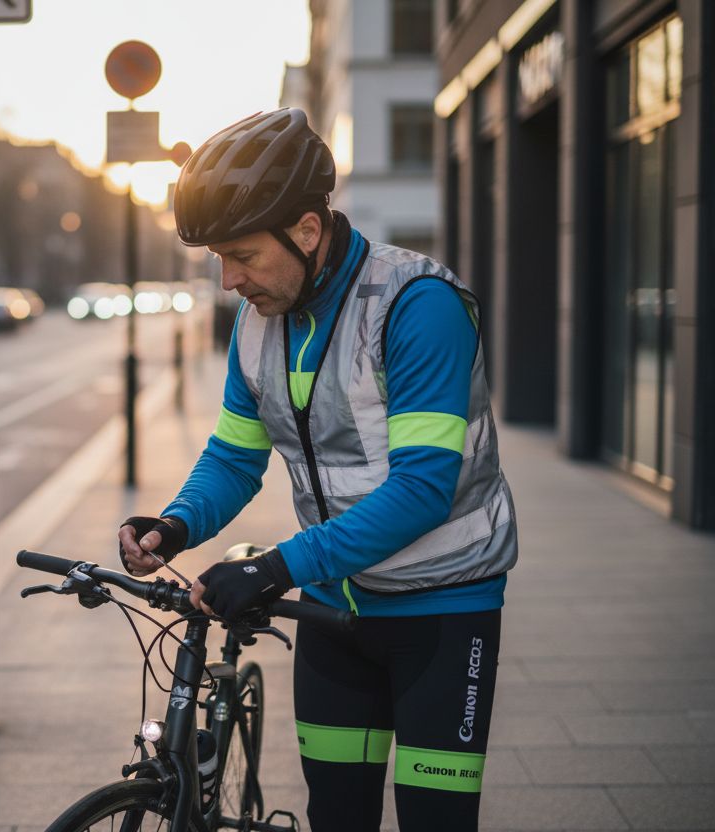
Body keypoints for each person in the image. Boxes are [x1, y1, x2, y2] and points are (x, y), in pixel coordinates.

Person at [118, 108, 517, 832]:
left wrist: (274, 568)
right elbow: (236, 458)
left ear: (307, 230)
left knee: (434, 820)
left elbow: (425, 488)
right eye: (218, 258)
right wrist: (175, 525)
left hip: (443, 611)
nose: (229, 279)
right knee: (337, 817)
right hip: (335, 614)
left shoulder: (417, 306)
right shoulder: (258, 321)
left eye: (242, 254)